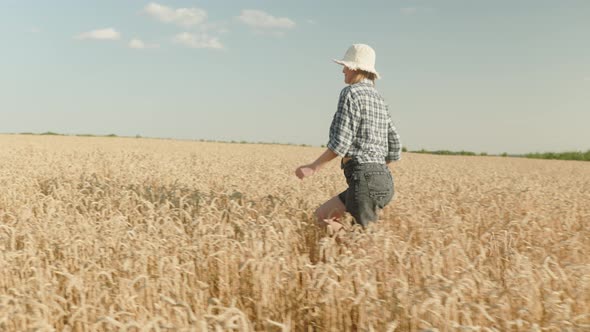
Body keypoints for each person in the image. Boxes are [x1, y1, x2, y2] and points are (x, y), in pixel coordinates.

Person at [295, 43, 402, 232]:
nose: (343, 70)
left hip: (364, 179)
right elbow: (394, 146)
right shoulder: (379, 99)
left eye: (346, 66)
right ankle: (348, 252)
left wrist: (313, 167)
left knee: (362, 243)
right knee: (322, 216)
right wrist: (376, 170)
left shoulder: (350, 93)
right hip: (384, 181)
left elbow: (340, 143)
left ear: (354, 68)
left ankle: (355, 254)